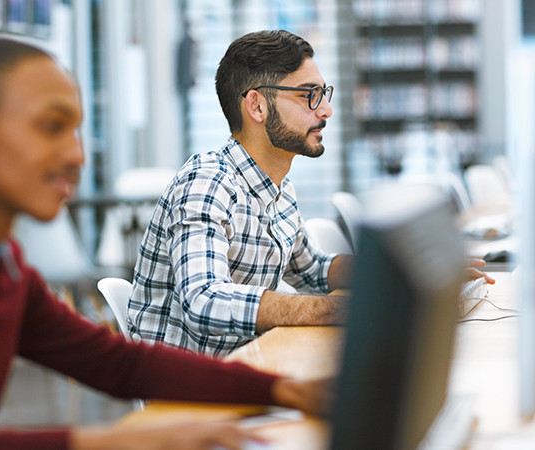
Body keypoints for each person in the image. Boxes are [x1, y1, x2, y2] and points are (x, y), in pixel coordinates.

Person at [0, 38, 331, 450]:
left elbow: (118, 363)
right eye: (51, 127)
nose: (76, 155)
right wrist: (98, 443)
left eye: (78, 130)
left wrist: (282, 390)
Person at [127, 29, 494, 357]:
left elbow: (314, 270)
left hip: (250, 366)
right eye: (310, 96)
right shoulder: (208, 184)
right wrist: (342, 311)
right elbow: (205, 301)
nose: (328, 110)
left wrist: (411, 271)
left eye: (324, 94)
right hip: (190, 395)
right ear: (256, 105)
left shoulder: (279, 187)